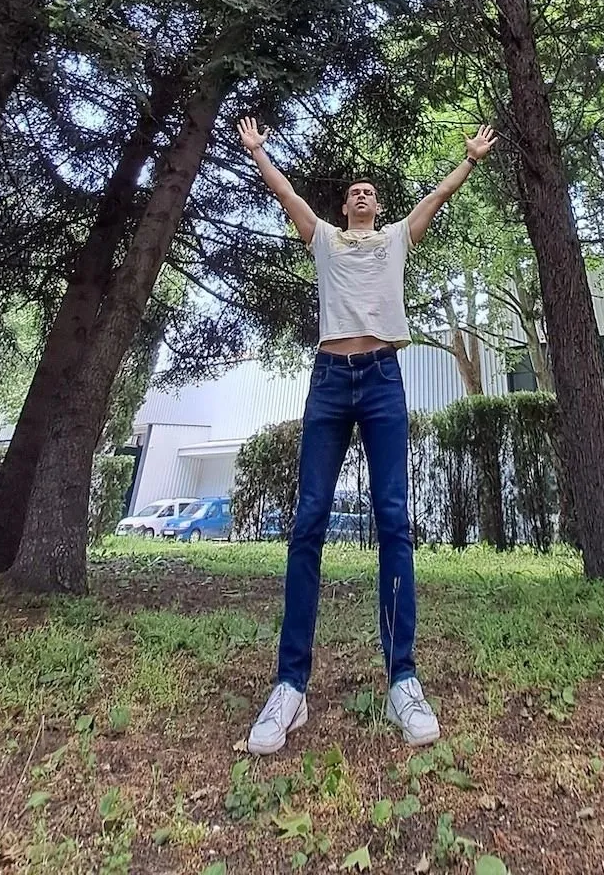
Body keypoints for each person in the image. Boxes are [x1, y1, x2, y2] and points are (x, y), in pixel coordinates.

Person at [237, 117, 498, 754]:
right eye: (354, 190)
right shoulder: (325, 239)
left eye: (370, 191)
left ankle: (402, 680)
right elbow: (286, 196)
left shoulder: (396, 239)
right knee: (308, 521)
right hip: (330, 379)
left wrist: (468, 160)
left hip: (383, 379)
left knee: (394, 521)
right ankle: (290, 687)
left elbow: (436, 197)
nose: (361, 194)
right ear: (343, 207)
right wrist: (260, 152)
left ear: (378, 207)